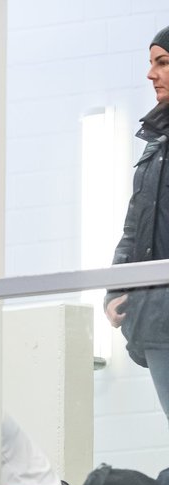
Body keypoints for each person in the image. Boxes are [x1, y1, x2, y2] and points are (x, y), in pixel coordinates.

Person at [106, 24, 169, 425]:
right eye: (151, 63)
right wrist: (115, 289)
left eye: (162, 62)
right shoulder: (155, 146)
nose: (151, 74)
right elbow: (134, 229)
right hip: (159, 324)